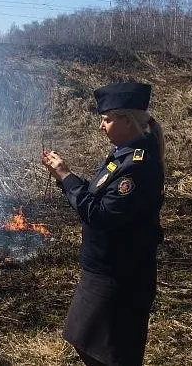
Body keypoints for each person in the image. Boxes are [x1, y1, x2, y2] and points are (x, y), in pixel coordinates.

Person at [41, 82, 165, 366]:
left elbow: (100, 214)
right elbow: (97, 195)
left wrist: (65, 176)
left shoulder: (137, 164)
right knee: (85, 342)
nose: (101, 127)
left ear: (128, 120)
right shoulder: (122, 155)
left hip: (120, 280)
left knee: (111, 356)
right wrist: (66, 176)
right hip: (103, 272)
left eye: (107, 120)